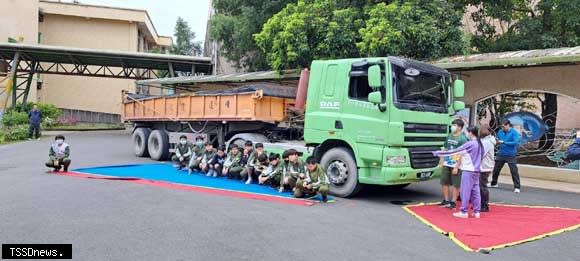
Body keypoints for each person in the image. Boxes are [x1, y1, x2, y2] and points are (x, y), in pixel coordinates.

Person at [433, 126, 484, 218]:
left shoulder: (470, 144)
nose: (467, 134)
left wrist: (439, 153)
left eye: (468, 132)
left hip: (468, 171)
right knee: (475, 191)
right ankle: (477, 212)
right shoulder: (480, 143)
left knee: (465, 191)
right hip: (477, 171)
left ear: (471, 133)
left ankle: (464, 211)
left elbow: (455, 151)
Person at [439, 119, 468, 209]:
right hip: (447, 162)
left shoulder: (463, 139)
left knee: (456, 184)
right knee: (444, 182)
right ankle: (446, 200)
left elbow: (463, 154)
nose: (452, 127)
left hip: (456, 164)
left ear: (460, 127)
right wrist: (441, 160)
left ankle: (453, 201)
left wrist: (457, 166)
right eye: (452, 125)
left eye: (454, 125)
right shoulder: (449, 136)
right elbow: (445, 148)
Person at [490, 120, 521, 193]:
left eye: (504, 126)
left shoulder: (514, 132)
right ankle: (494, 183)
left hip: (511, 154)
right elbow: (498, 140)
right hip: (501, 153)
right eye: (502, 126)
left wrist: (504, 142)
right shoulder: (500, 132)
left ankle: (517, 187)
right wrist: (496, 141)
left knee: (514, 171)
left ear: (508, 125)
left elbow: (515, 142)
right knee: (496, 170)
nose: (502, 128)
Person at [479, 124, 496, 212]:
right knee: (480, 186)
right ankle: (480, 203)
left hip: (485, 167)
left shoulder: (487, 142)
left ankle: (484, 205)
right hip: (483, 166)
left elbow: (481, 153)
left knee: (482, 186)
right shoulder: (486, 140)